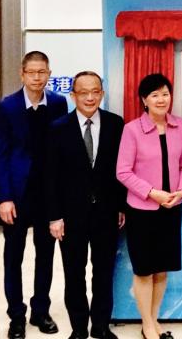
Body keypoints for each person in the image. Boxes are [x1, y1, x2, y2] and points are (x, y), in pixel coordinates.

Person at [44, 71, 125, 339]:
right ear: (73, 95)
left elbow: (121, 170)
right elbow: (51, 176)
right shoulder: (58, 128)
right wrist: (54, 216)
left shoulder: (116, 124)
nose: (90, 97)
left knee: (103, 273)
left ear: (102, 93)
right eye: (83, 92)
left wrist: (121, 207)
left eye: (95, 91)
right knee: (74, 274)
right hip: (70, 216)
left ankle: (100, 326)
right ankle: (79, 328)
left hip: (106, 214)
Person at [0, 51, 68, 339]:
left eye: (42, 72)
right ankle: (16, 316)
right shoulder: (7, 106)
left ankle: (40, 310)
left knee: (46, 256)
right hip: (17, 194)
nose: (37, 77)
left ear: (49, 74)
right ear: (22, 74)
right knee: (13, 257)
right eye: (32, 72)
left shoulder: (59, 104)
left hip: (47, 194)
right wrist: (4, 197)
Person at [116, 73, 182, 339]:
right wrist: (152, 193)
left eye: (165, 93)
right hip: (142, 211)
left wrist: (181, 190)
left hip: (172, 208)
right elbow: (123, 172)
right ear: (144, 100)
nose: (162, 99)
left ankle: (154, 319)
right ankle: (147, 324)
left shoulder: (179, 126)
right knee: (144, 269)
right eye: (155, 95)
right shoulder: (131, 130)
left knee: (162, 268)